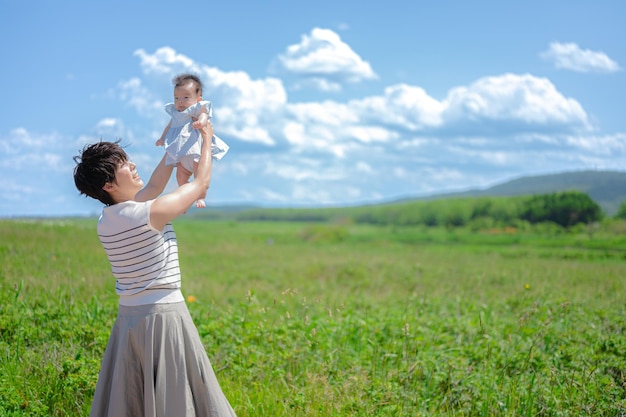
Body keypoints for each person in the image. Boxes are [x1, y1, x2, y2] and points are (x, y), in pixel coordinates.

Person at [73, 122, 237, 417]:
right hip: (165, 316)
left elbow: (152, 188)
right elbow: (199, 186)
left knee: (133, 400)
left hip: (129, 322)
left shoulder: (107, 221)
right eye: (123, 164)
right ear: (108, 185)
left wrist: (172, 152)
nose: (133, 165)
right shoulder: (148, 214)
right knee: (180, 399)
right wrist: (206, 139)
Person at [155, 73, 229, 209]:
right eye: (176, 98)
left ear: (198, 99)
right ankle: (186, 200)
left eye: (185, 97)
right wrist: (162, 138)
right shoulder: (176, 114)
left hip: (196, 153)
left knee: (200, 176)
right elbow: (169, 126)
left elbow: (204, 115)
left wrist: (201, 122)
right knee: (180, 177)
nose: (180, 101)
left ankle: (200, 198)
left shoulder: (196, 109)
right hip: (183, 155)